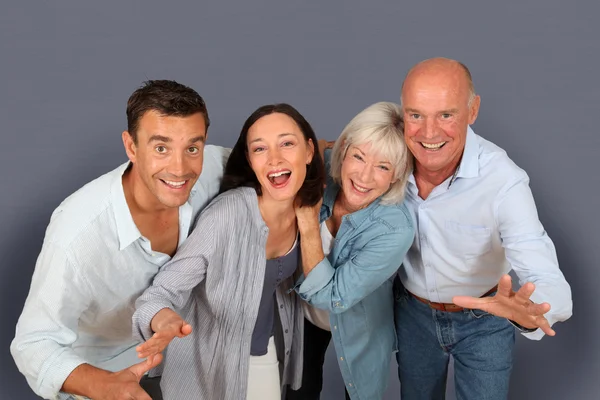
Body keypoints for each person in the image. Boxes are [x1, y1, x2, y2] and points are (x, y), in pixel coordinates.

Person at [10, 80, 230, 400]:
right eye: (161, 148)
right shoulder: (76, 234)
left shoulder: (214, 168)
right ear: (131, 147)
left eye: (192, 148)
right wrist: (104, 385)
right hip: (105, 377)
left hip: (184, 367)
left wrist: (320, 153)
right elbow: (32, 344)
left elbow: (272, 159)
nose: (180, 168)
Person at [394, 57, 573, 399]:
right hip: (412, 313)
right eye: (416, 115)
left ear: (472, 111)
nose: (428, 133)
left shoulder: (504, 181)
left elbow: (547, 277)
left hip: (486, 319)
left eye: (446, 115)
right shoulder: (388, 157)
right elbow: (345, 160)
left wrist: (529, 313)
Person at [131, 103, 325, 399]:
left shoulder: (308, 212)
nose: (274, 158)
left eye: (287, 143)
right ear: (249, 159)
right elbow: (158, 294)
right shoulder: (228, 214)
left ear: (309, 151)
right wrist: (164, 320)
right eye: (260, 149)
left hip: (264, 354)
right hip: (207, 369)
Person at [286, 102, 415, 400]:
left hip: (360, 322)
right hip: (302, 315)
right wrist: (316, 149)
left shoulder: (395, 229)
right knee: (297, 392)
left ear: (397, 175)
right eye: (358, 157)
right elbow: (307, 150)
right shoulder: (323, 168)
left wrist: (307, 224)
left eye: (383, 167)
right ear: (343, 150)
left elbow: (332, 297)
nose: (365, 177)